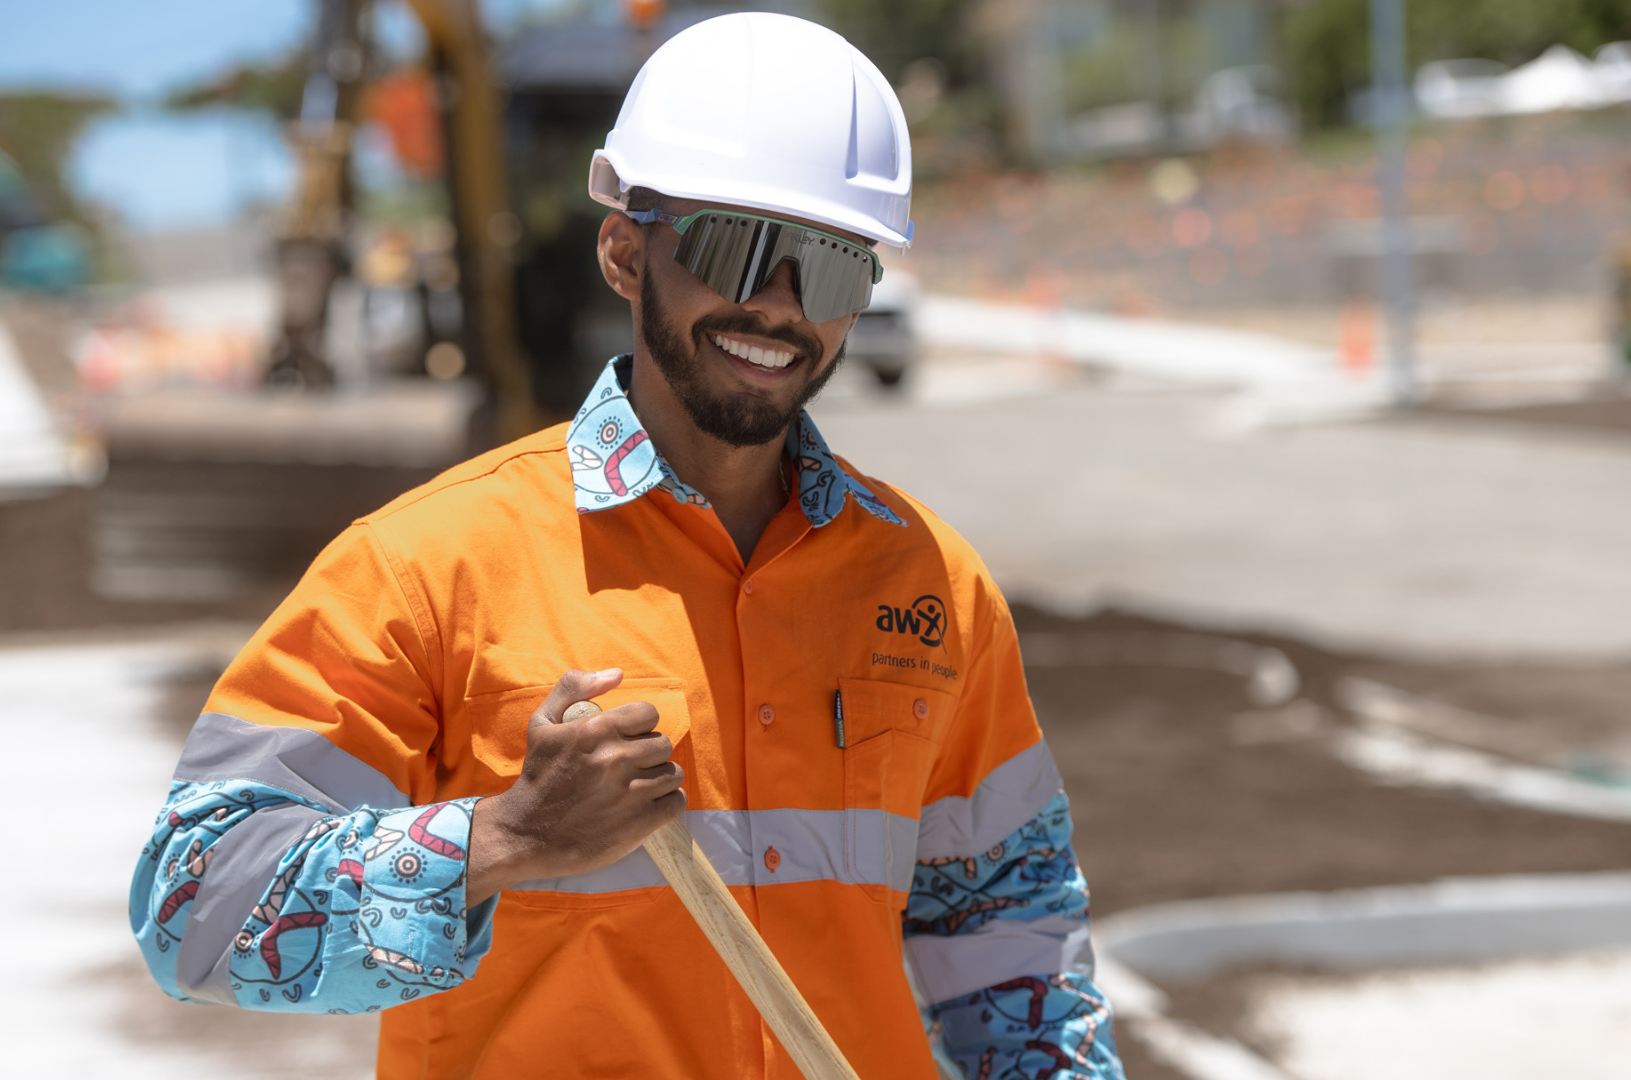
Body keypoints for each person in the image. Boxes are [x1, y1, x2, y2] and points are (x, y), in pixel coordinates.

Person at [131, 13, 1121, 1079]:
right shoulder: (429, 567)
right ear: (622, 252)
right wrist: (505, 837)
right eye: (732, 247)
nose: (778, 305)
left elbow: (1015, 951)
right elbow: (191, 903)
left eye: (831, 266)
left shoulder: (933, 589)